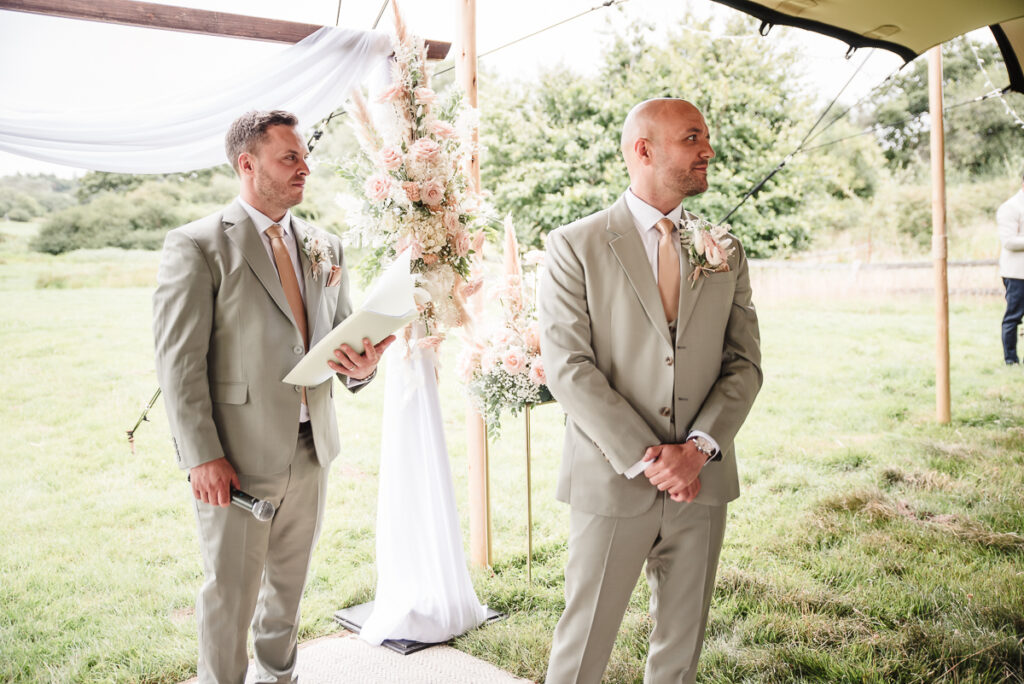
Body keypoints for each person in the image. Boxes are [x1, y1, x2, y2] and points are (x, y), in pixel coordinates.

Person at [153, 109, 393, 683]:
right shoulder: (197, 245)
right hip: (235, 459)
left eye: (305, 156)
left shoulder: (325, 246)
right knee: (231, 595)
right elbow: (178, 364)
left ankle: (279, 677)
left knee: (288, 590)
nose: (305, 168)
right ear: (247, 164)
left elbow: (337, 341)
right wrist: (202, 457)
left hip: (313, 451)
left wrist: (363, 367)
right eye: (290, 157)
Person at [539, 98, 762, 684]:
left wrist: (697, 451)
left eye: (706, 139)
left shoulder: (726, 249)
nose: (708, 151)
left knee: (681, 649)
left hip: (703, 478)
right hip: (613, 479)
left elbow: (744, 364)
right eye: (693, 138)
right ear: (644, 150)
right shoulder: (574, 245)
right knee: (584, 643)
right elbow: (569, 366)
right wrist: (656, 461)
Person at [997, 170, 1024, 365]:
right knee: (1013, 317)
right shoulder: (1010, 207)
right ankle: (1011, 360)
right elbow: (1009, 242)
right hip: (1017, 273)